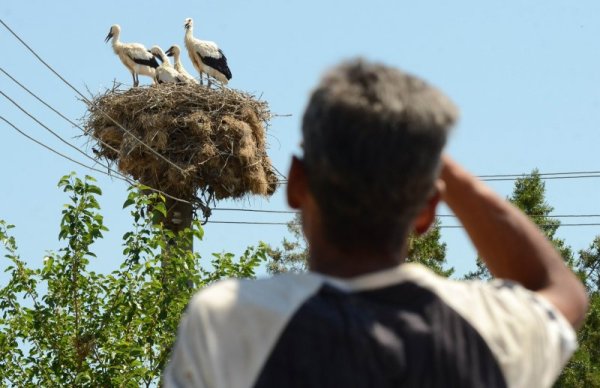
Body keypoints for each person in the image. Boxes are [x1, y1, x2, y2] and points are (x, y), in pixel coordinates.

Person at [162, 59, 588, 387]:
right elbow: (562, 291)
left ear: (295, 185)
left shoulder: (228, 322)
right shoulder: (490, 330)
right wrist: (425, 159)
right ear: (427, 211)